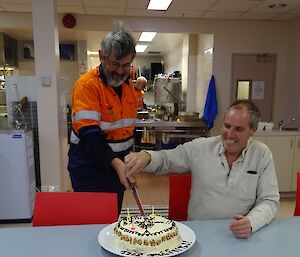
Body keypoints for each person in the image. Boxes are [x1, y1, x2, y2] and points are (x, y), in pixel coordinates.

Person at [125, 99, 280, 238]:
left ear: (252, 130)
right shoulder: (201, 147)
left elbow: (269, 200)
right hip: (199, 233)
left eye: (238, 129)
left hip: (239, 235)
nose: (230, 134)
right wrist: (146, 156)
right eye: (227, 126)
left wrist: (252, 222)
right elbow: (167, 159)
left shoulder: (261, 154)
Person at [67, 21, 137, 214]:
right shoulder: (87, 86)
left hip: (117, 169)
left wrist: (129, 162)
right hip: (89, 170)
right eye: (115, 63)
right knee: (92, 226)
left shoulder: (128, 86)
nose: (121, 71)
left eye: (126, 65)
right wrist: (117, 163)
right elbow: (90, 135)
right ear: (101, 56)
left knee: (111, 220)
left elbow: (127, 129)